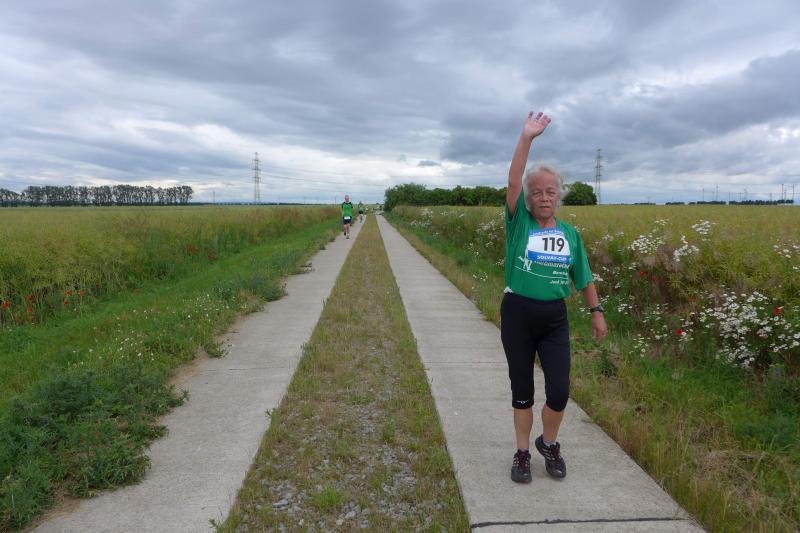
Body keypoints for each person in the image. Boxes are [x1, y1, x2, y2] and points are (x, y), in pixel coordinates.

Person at [503, 111, 608, 484]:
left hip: (553, 318)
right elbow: (513, 181)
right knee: (522, 390)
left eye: (550, 191)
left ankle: (548, 444)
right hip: (517, 314)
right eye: (536, 192)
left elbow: (584, 277)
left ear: (558, 196)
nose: (543, 197)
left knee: (560, 391)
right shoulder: (520, 223)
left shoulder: (570, 234)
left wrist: (596, 311)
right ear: (528, 199)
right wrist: (526, 138)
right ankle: (521, 453)